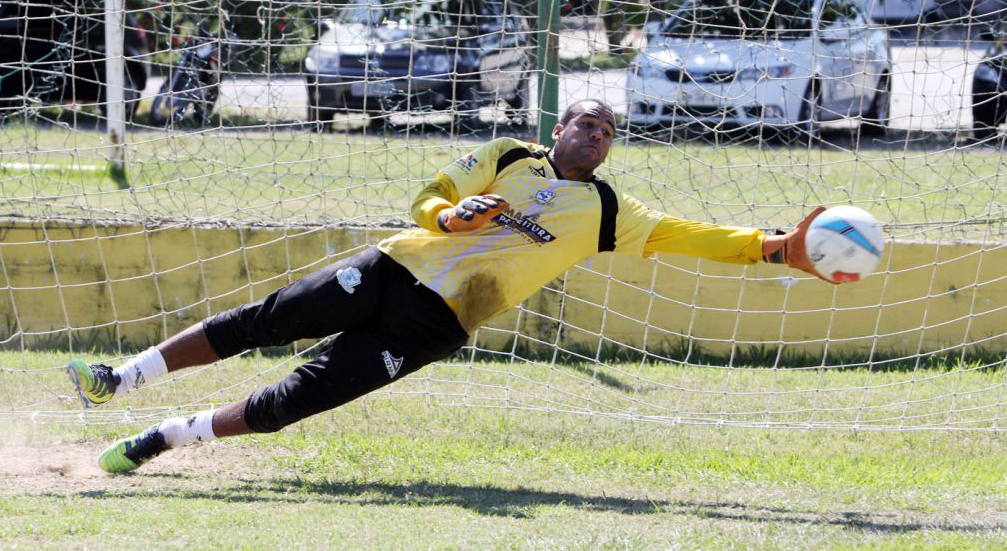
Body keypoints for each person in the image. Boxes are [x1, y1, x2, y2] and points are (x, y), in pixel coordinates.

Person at [67, 99, 832, 473]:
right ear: (557, 127)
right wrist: (450, 216)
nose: (594, 134)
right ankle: (118, 377)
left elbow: (689, 236)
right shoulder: (507, 154)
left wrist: (773, 248)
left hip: (436, 324)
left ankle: (158, 441)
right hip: (394, 266)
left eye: (607, 132)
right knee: (260, 321)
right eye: (584, 123)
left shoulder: (606, 210)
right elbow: (427, 198)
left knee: (295, 401)